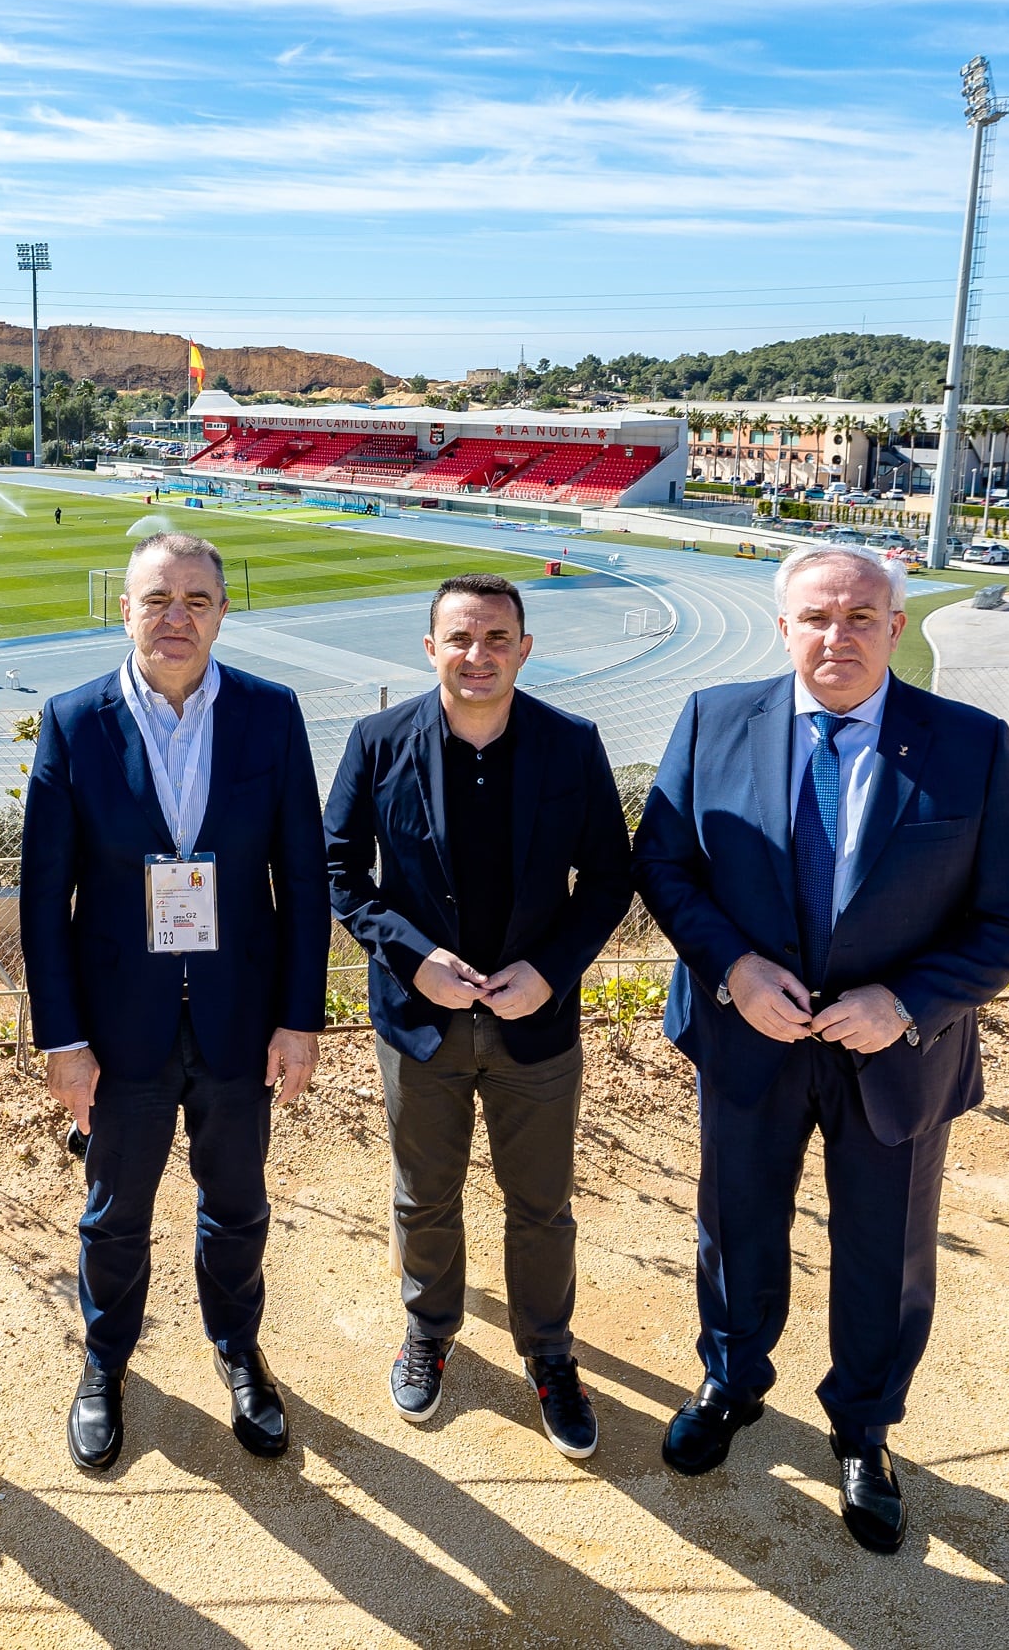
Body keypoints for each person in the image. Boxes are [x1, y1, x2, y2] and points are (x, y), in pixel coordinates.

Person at [632, 543, 1009, 1555]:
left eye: (862, 616)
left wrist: (905, 1001)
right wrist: (731, 967)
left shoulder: (970, 746)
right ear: (782, 626)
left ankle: (863, 1432)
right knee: (735, 1229)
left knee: (885, 1256)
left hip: (897, 1054)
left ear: (894, 628)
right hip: (748, 1037)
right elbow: (664, 861)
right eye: (817, 616)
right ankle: (731, 1383)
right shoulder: (711, 719)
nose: (838, 635)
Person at [20, 531, 327, 1473]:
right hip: (120, 1031)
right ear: (124, 610)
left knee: (236, 1205)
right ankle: (105, 1362)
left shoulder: (272, 717)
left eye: (197, 599)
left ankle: (238, 1350)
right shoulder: (73, 721)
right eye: (157, 598)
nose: (177, 617)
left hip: (239, 1019)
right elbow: (43, 898)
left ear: (224, 612)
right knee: (114, 1213)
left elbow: (304, 883)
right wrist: (64, 1037)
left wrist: (301, 1016)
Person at [324, 574, 632, 1452]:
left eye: (497, 637)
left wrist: (551, 967)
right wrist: (413, 959)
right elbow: (341, 869)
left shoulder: (572, 745)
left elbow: (610, 878)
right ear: (430, 648)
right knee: (426, 1194)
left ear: (525, 649)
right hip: (421, 1024)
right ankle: (429, 1330)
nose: (478, 654)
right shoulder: (379, 741)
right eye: (460, 637)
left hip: (537, 1021)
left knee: (542, 1203)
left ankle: (549, 1353)